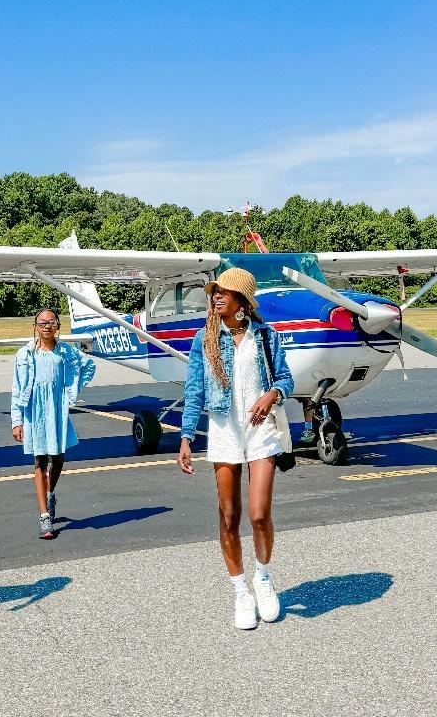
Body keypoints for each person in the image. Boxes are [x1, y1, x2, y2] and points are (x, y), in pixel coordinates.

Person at [176, 268, 295, 630]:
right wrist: (185, 436)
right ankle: (240, 591)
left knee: (259, 514)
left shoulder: (265, 337)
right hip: (225, 431)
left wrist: (271, 395)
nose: (216, 297)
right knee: (229, 516)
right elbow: (194, 389)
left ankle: (262, 578)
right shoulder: (204, 340)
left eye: (225, 293)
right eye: (215, 292)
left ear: (241, 301)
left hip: (261, 432)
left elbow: (285, 379)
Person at [11, 308, 97, 539]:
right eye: (42, 322)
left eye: (52, 322)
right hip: (34, 411)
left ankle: (50, 494)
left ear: (58, 326)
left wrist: (71, 389)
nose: (47, 326)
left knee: (57, 458)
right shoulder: (24, 355)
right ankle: (44, 516)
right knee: (39, 459)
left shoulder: (66, 352)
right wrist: (16, 421)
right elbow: (17, 389)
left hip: (57, 410)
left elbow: (88, 366)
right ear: (35, 326)